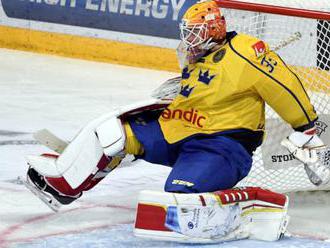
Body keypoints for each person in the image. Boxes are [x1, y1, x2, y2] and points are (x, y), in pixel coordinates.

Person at [25, 0, 327, 242]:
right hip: (176, 131)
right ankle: (63, 187)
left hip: (221, 146)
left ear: (213, 29)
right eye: (189, 31)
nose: (189, 37)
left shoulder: (247, 52)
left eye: (195, 31)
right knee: (111, 134)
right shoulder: (196, 54)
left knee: (178, 200)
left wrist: (306, 128)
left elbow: (286, 87)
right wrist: (177, 93)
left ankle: (253, 206)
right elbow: (203, 91)